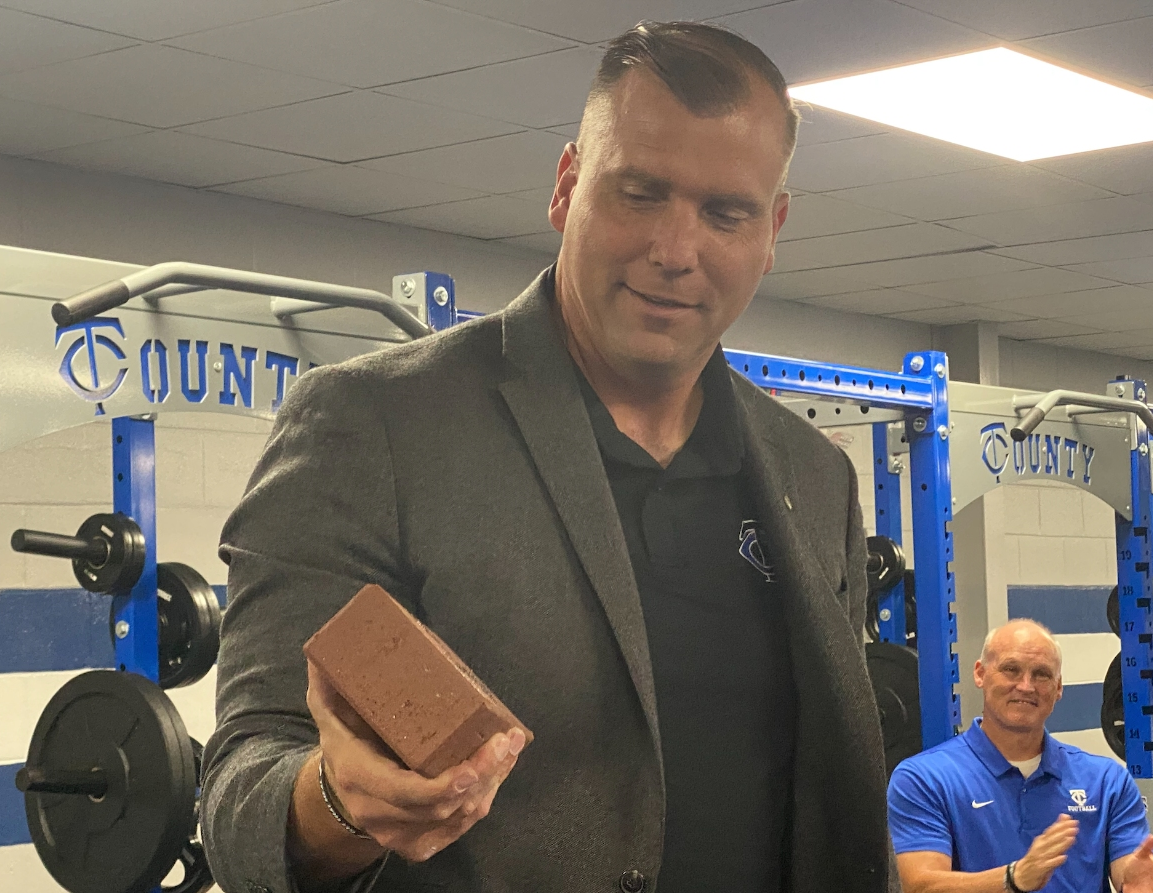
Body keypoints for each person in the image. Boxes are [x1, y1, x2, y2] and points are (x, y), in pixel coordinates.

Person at [201, 21, 895, 893]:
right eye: (639, 193)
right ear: (568, 186)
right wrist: (338, 804)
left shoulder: (813, 476)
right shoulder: (374, 423)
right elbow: (237, 796)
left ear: (771, 229)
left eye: (725, 213)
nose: (675, 251)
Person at [888, 619, 1153, 893]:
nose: (1026, 686)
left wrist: (1137, 880)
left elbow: (1132, 869)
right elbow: (920, 886)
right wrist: (1013, 878)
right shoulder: (923, 779)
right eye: (1011, 669)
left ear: (1058, 688)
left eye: (1041, 674)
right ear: (980, 674)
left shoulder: (1106, 780)